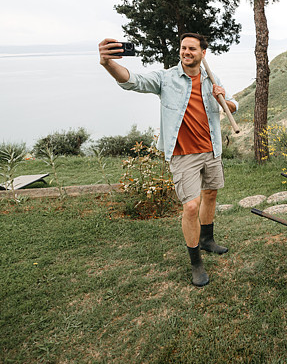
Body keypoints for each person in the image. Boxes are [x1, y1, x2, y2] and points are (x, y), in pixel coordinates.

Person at [98, 33, 238, 287]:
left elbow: (232, 104)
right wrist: (109, 64)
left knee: (211, 195)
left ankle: (207, 239)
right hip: (183, 154)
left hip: (211, 149)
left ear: (202, 53)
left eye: (192, 48)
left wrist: (223, 98)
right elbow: (132, 81)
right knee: (191, 207)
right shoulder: (166, 78)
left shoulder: (211, 78)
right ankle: (196, 262)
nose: (186, 52)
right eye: (183, 48)